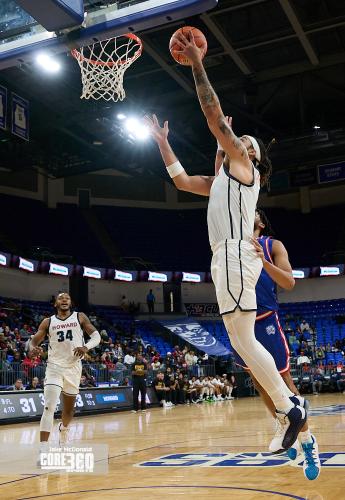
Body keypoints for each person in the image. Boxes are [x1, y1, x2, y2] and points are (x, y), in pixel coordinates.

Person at [145, 32, 306, 454]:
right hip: (223, 258)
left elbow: (213, 112)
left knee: (242, 340)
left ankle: (290, 409)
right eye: (240, 140)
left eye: (245, 143)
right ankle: (291, 409)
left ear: (250, 157)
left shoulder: (243, 168)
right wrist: (164, 144)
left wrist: (198, 62)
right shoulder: (221, 181)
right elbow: (181, 180)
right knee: (239, 341)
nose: (241, 142)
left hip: (236, 252)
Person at [232, 209, 320, 480]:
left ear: (259, 221)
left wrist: (263, 261)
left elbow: (289, 282)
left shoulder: (272, 245)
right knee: (259, 383)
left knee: (284, 383)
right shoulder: (232, 248)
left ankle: (308, 442)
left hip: (265, 320)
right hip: (238, 322)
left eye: (254, 211)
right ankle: (285, 428)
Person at [28, 292, 100, 459]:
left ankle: (64, 429)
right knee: (49, 406)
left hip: (73, 368)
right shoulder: (48, 321)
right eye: (60, 298)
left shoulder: (79, 317)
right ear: (55, 303)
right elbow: (33, 342)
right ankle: (43, 448)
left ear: (71, 302)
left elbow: (96, 336)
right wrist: (32, 349)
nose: (64, 300)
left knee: (68, 410)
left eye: (67, 298)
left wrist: (86, 347)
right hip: (54, 367)